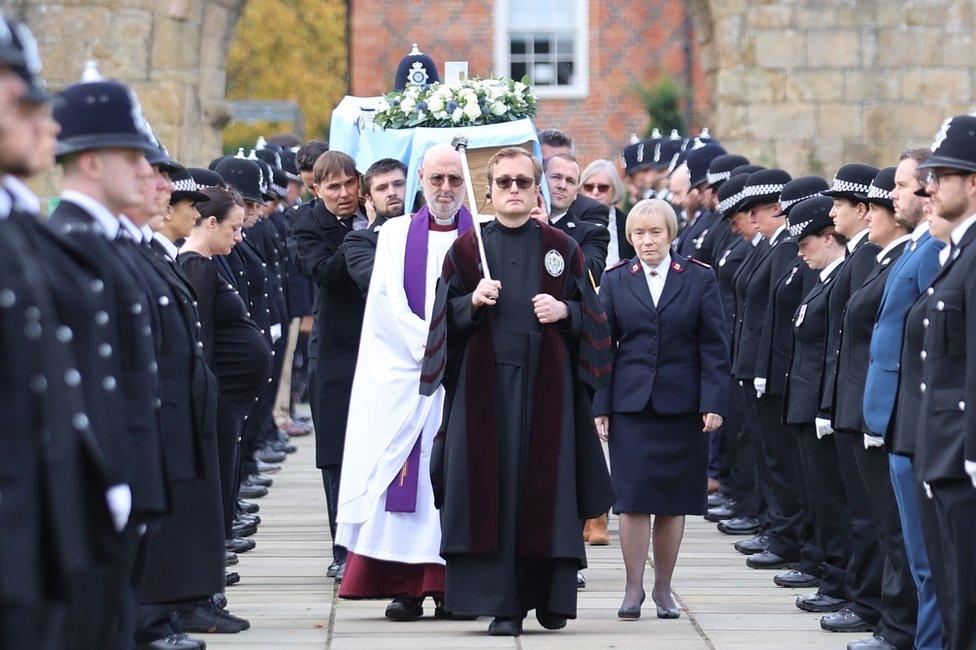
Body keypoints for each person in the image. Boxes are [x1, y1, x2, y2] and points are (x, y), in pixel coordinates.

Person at [420, 147, 614, 636]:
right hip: (485, 394)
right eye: (503, 182)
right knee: (494, 492)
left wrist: (564, 312)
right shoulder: (466, 251)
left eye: (523, 183)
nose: (512, 190)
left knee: (544, 492)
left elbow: (594, 318)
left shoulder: (562, 248)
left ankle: (548, 597)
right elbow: (440, 325)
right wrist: (471, 303)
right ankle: (504, 605)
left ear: (536, 190)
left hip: (547, 393)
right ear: (487, 191)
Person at [49, 72, 172, 650]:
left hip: (126, 472)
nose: (147, 171)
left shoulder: (107, 242)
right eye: (133, 156)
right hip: (99, 480)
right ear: (93, 162)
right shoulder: (73, 240)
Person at [336, 146, 471, 620]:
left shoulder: (485, 238)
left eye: (454, 179)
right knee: (406, 479)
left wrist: (457, 350)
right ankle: (406, 586)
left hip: (465, 378)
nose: (446, 189)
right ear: (421, 178)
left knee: (461, 476)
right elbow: (388, 307)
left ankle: (454, 584)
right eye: (436, 179)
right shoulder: (394, 235)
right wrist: (436, 347)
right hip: (410, 376)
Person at [593, 198, 728, 620]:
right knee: (632, 500)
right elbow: (603, 348)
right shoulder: (616, 281)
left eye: (656, 233)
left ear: (671, 235)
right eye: (639, 233)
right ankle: (632, 589)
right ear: (629, 237)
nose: (647, 241)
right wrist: (601, 404)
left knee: (672, 501)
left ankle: (664, 589)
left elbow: (714, 345)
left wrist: (713, 402)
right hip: (631, 406)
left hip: (681, 407)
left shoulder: (698, 278)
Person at [834, 167, 919, 650]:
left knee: (892, 527)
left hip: (886, 411)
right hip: (867, 406)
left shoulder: (902, 260)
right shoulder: (880, 259)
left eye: (875, 209)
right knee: (883, 524)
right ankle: (892, 621)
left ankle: (898, 626)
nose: (867, 217)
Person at [866, 149, 947, 650]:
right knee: (912, 548)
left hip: (915, 415)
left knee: (925, 553)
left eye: (901, 185)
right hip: (896, 415)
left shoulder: (934, 249)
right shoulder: (917, 246)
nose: (896, 195)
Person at [178, 186, 272, 567]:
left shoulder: (208, 262)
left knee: (226, 469)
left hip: (232, 394)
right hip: (219, 391)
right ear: (211, 223)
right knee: (217, 473)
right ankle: (211, 556)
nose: (239, 236)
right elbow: (202, 335)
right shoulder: (197, 265)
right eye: (233, 228)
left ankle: (219, 543)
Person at [912, 115, 976, 649]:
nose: (929, 186)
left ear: (973, 182)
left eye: (942, 175)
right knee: (957, 602)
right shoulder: (956, 254)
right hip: (947, 456)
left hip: (965, 458)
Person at [293, 150, 368, 583]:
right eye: (333, 188)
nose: (344, 195)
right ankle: (342, 547)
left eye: (348, 184)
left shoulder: (378, 211)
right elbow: (324, 272)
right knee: (337, 453)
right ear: (316, 190)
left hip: (379, 347)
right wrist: (364, 237)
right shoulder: (306, 225)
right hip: (338, 349)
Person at [818, 164, 885, 636]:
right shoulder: (860, 257)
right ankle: (859, 596)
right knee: (856, 508)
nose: (832, 211)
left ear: (862, 210)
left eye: (839, 204)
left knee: (867, 514)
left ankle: (865, 603)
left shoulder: (869, 258)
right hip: (847, 399)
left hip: (863, 402)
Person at [779, 197, 853, 615]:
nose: (800, 250)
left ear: (829, 238)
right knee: (818, 498)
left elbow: (832, 352)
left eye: (806, 241)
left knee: (832, 502)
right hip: (804, 404)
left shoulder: (840, 278)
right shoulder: (823, 278)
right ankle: (831, 574)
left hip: (819, 407)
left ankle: (839, 581)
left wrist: (825, 407)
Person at [343, 157, 408, 293]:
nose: (391, 193)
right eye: (382, 188)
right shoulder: (358, 241)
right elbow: (382, 280)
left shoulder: (431, 227)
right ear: (370, 199)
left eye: (398, 184)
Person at [543, 153, 610, 283]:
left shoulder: (592, 233)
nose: (562, 185)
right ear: (541, 181)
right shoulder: (518, 224)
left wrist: (547, 232)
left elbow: (591, 275)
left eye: (570, 181)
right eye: (556, 177)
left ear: (576, 194)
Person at [580, 158, 633, 266]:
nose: (595, 192)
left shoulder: (628, 223)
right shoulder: (571, 220)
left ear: (614, 190)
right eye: (589, 187)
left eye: (602, 187)